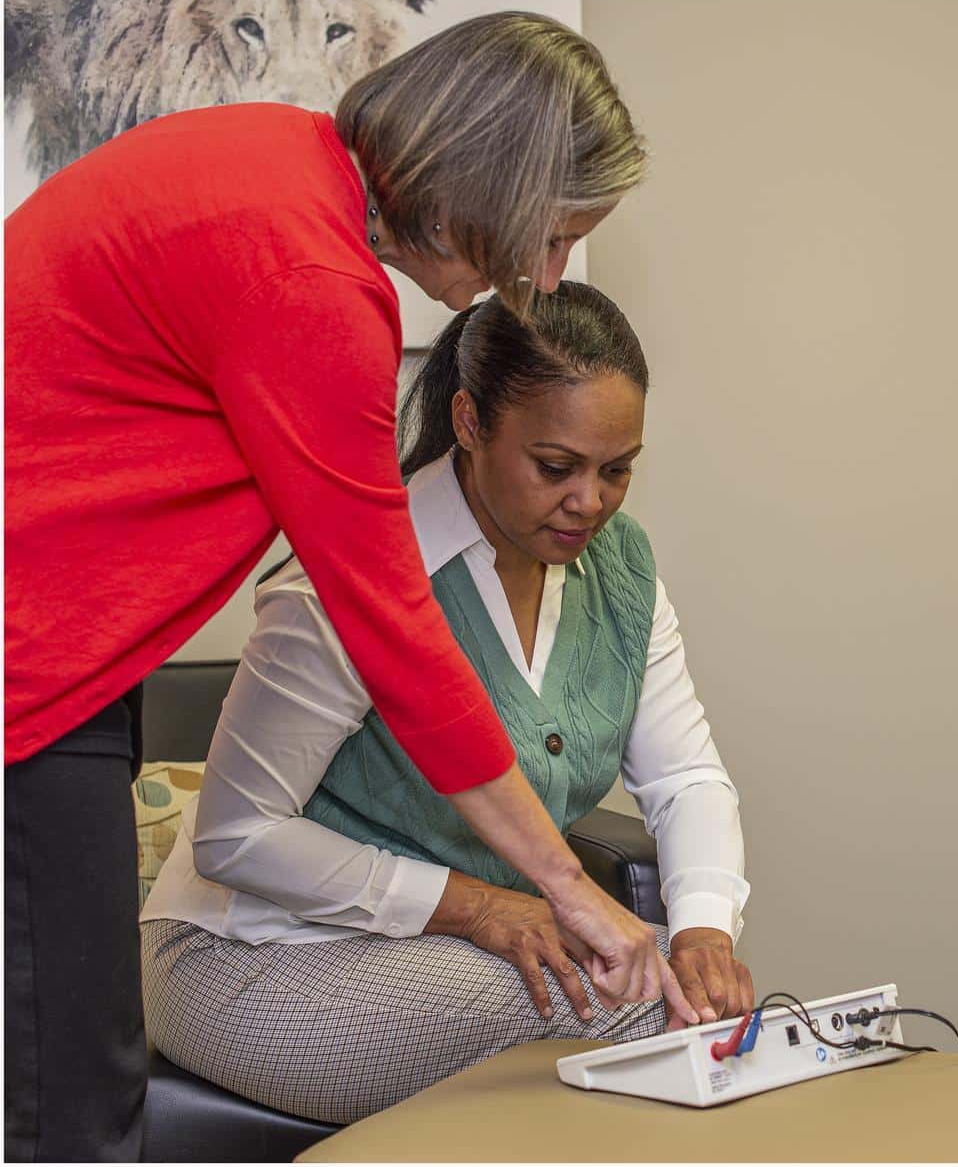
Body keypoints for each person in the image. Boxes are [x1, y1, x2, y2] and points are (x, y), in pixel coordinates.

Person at [3, 13, 692, 1161]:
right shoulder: (311, 279)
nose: (544, 277)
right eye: (555, 234)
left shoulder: (271, 162)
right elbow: (392, 629)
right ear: (494, 178)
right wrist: (565, 887)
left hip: (63, 656)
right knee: (71, 1109)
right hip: (30, 665)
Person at [139, 281, 753, 1123]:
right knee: (654, 1011)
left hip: (467, 951)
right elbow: (237, 839)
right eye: (556, 467)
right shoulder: (354, 573)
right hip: (253, 957)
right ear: (469, 424)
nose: (591, 502)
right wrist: (481, 908)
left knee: (692, 992)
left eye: (618, 471)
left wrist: (705, 929)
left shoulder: (623, 570)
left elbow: (686, 776)